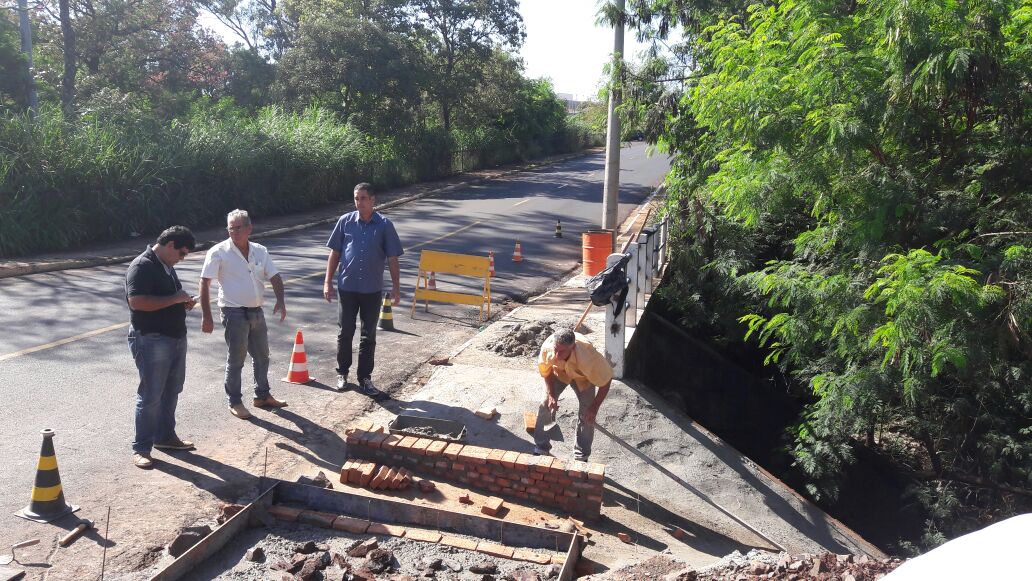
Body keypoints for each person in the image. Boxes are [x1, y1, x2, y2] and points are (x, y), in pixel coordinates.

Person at [199, 210, 288, 420]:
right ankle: (235, 402)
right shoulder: (218, 252)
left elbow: (274, 276)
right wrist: (207, 316)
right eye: (231, 228)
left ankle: (262, 395)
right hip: (233, 311)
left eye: (238, 228)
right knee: (236, 359)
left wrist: (281, 301)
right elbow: (205, 282)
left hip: (256, 310)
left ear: (249, 229)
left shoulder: (260, 250)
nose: (234, 232)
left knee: (262, 356)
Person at [125, 226, 198, 469]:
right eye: (182, 253)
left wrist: (182, 304)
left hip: (175, 337)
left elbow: (166, 299)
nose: (182, 258)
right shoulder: (141, 266)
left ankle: (165, 437)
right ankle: (141, 448)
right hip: (151, 339)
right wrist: (175, 299)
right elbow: (137, 302)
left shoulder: (166, 266)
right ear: (169, 245)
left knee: (172, 390)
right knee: (151, 395)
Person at [323, 183, 403, 398]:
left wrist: (396, 288)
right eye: (356, 198)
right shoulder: (345, 222)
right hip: (347, 288)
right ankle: (342, 373)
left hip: (371, 290)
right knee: (345, 332)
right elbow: (335, 254)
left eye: (364, 198)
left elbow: (393, 258)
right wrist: (327, 282)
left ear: (373, 200)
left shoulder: (384, 225)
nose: (359, 203)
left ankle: (365, 378)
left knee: (368, 336)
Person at [533, 326, 613, 461]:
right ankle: (542, 448)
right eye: (556, 350)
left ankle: (581, 455)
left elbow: (606, 381)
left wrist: (594, 407)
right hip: (560, 373)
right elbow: (547, 372)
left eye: (562, 351)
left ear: (573, 347)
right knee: (545, 403)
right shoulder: (548, 348)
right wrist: (552, 395)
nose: (557, 355)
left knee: (587, 414)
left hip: (583, 378)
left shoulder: (588, 357)